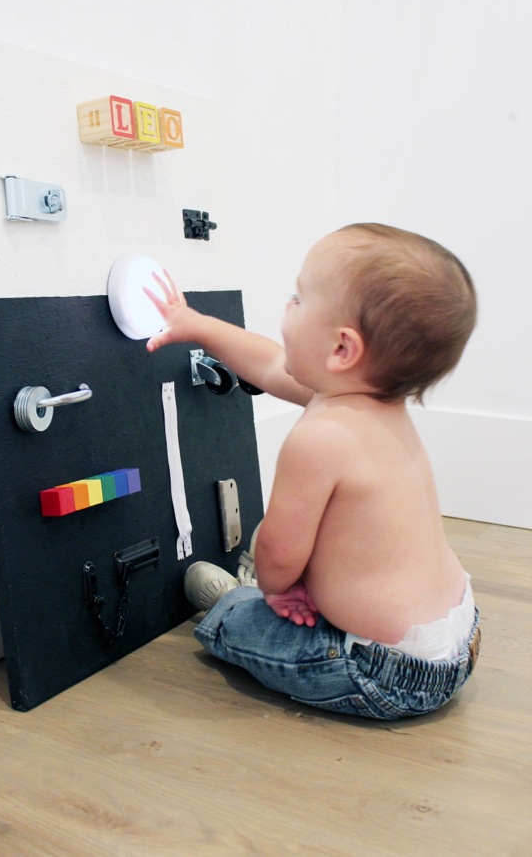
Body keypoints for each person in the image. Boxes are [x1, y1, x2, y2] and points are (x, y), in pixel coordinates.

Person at [144, 223, 481, 719]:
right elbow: (270, 366)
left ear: (342, 349)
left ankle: (234, 602)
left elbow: (278, 552)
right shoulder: (372, 401)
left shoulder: (320, 437)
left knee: (236, 617)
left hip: (381, 671)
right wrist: (196, 325)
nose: (287, 307)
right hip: (461, 637)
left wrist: (281, 590)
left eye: (298, 299)